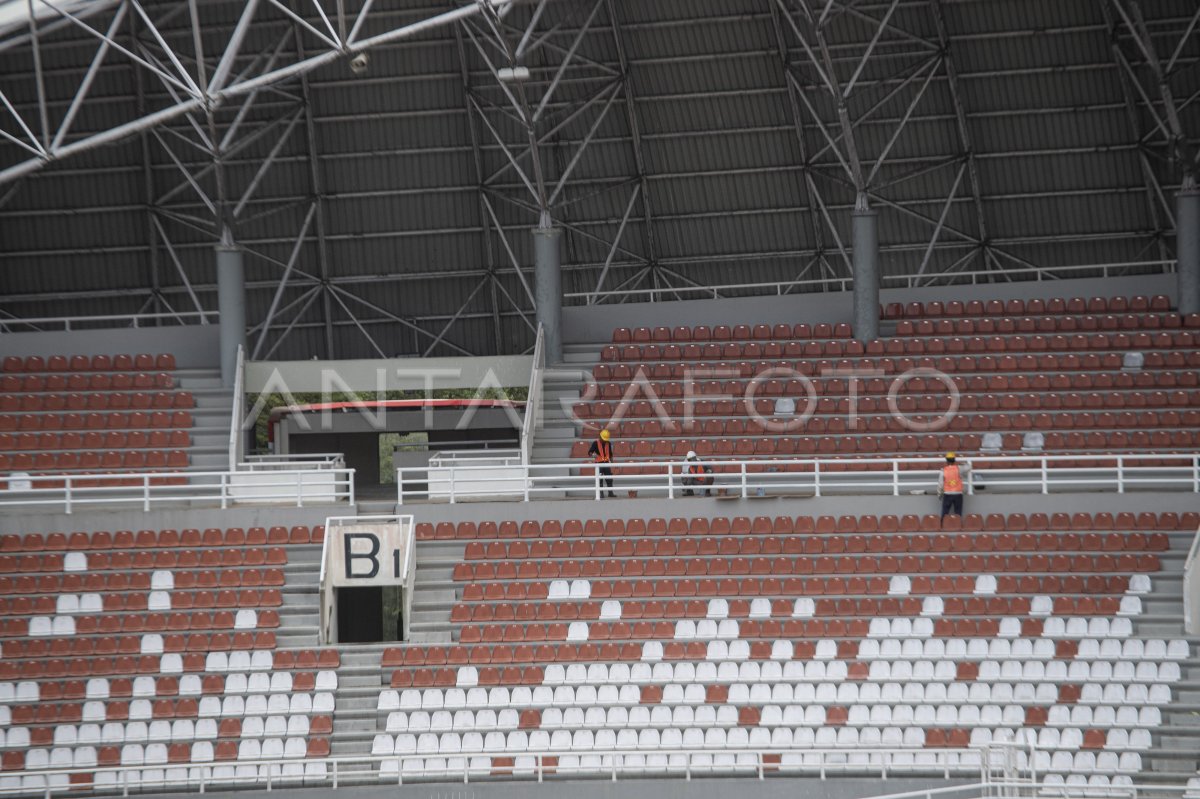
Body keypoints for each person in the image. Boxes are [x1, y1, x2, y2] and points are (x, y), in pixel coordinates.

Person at [937, 452, 970, 518]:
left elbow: (940, 484)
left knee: (945, 512)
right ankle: (958, 525)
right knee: (958, 513)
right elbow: (969, 467)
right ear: (954, 460)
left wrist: (939, 494)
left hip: (947, 494)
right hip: (958, 494)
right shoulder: (959, 468)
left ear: (946, 460)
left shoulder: (943, 470)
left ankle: (943, 525)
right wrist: (962, 463)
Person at [587, 428, 616, 498]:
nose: (604, 441)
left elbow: (610, 454)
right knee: (599, 479)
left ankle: (610, 493)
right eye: (603, 439)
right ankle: (601, 494)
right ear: (600, 436)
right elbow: (589, 452)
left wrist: (613, 462)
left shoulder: (608, 443)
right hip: (598, 464)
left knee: (609, 478)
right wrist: (593, 455)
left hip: (606, 463)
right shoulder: (595, 443)